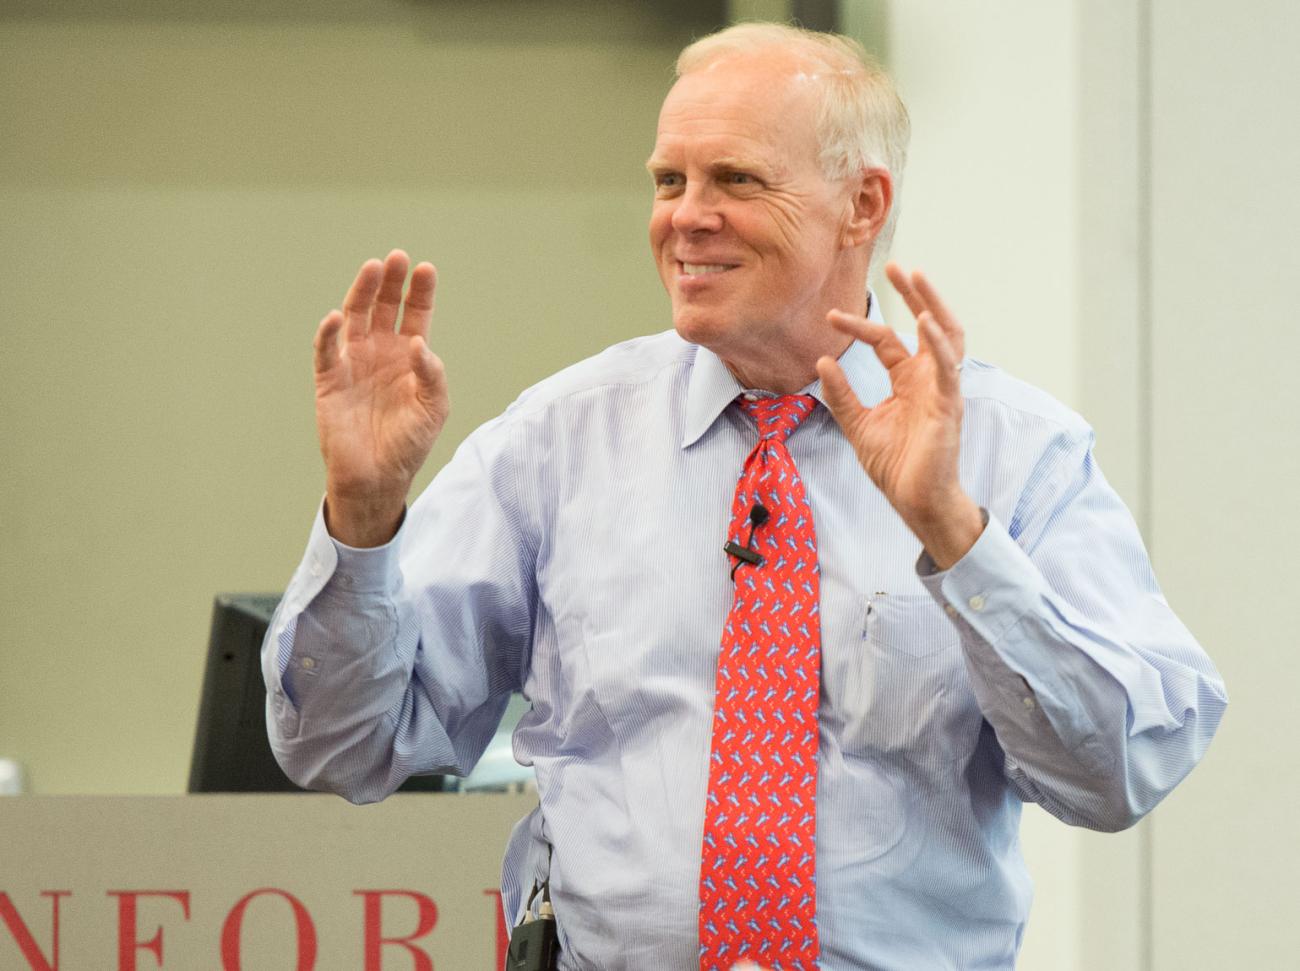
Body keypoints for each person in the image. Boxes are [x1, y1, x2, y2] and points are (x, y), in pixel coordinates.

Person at [262, 22, 1226, 971]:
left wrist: (954, 534)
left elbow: (1119, 772)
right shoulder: (556, 439)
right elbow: (346, 748)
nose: (685, 215)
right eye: (668, 180)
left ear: (862, 202)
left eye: (736, 180)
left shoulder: (1019, 453)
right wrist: (363, 511)